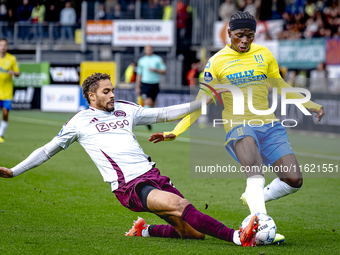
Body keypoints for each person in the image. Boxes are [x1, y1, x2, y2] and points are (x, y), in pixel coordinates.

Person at [0, 72, 259, 247]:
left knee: (193, 233)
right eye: (106, 91)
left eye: (113, 89)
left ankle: (144, 229)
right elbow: (47, 150)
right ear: (92, 96)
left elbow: (164, 113)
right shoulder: (78, 123)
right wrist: (14, 171)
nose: (112, 94)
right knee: (180, 205)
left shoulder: (126, 108)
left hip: (152, 175)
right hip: (130, 186)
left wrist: (201, 103)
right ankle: (238, 236)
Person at [148, 11, 325, 244]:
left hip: (269, 125)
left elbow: (280, 85)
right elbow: (202, 102)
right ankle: (260, 224)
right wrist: (175, 131)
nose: (244, 41)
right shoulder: (216, 62)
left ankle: (254, 197)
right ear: (229, 33)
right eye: (240, 35)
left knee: (294, 180)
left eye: (250, 36)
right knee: (255, 169)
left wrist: (310, 104)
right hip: (238, 125)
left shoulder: (264, 54)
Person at [135, 45, 166, 130]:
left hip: (155, 83)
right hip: (145, 83)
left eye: (150, 49)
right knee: (147, 102)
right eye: (147, 49)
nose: (148, 50)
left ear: (152, 49)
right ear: (145, 50)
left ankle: (147, 119)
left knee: (151, 104)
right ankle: (146, 120)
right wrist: (137, 86)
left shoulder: (158, 59)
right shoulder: (141, 60)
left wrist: (155, 70)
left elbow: (164, 70)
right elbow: (139, 74)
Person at [0, 38, 20, 143]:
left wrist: (14, 73)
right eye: (1, 45)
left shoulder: (11, 59)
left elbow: (18, 73)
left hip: (7, 92)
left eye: (5, 45)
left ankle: (1, 134)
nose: (3, 47)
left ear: (7, 47)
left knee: (5, 113)